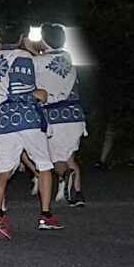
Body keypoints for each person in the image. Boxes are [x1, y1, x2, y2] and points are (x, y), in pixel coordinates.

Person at [0, 20, 63, 240]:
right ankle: (46, 215)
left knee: (3, 170)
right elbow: (22, 90)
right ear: (20, 38)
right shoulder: (23, 57)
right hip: (26, 118)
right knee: (44, 166)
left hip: (3, 120)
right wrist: (38, 94)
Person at [34, 23, 86, 207]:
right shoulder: (68, 57)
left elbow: (38, 63)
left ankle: (65, 175)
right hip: (75, 115)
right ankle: (76, 195)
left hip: (54, 117)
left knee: (57, 161)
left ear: (44, 40)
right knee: (70, 157)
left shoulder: (37, 62)